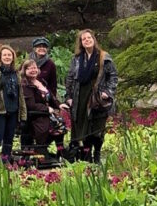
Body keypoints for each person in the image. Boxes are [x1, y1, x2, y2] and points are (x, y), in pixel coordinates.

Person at [62, 29, 117, 163]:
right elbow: (69, 78)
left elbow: (113, 76)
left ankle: (97, 154)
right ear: (81, 42)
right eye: (84, 39)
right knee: (84, 129)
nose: (87, 40)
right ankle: (87, 156)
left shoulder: (104, 57)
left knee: (97, 128)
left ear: (93, 39)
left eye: (89, 38)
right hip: (80, 97)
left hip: (97, 99)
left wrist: (108, 92)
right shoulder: (76, 59)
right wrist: (68, 97)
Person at [20, 59, 65, 155]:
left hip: (46, 114)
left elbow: (50, 97)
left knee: (61, 124)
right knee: (54, 125)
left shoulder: (41, 82)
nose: (33, 70)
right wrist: (47, 109)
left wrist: (59, 105)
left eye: (35, 67)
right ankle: (41, 148)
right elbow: (30, 105)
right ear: (24, 70)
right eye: (30, 68)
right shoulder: (25, 85)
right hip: (36, 116)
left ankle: (60, 152)